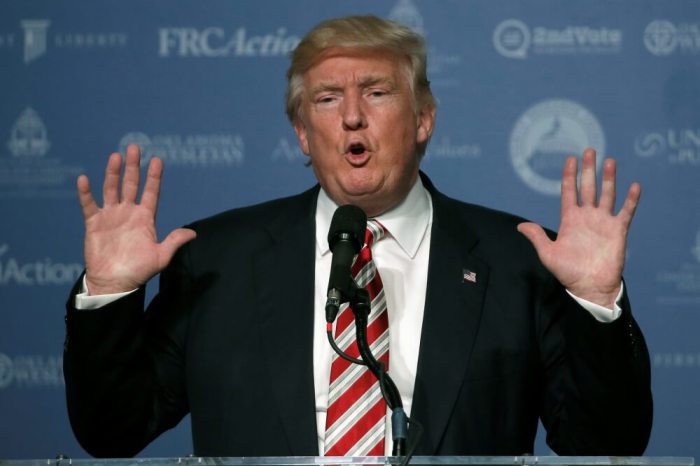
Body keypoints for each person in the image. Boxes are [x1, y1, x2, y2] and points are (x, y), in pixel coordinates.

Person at [64, 15, 652, 458]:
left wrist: (596, 305)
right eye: (326, 99)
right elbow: (112, 433)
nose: (351, 116)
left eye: (376, 92)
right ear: (301, 133)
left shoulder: (518, 261)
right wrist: (110, 294)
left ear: (423, 118)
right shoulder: (217, 260)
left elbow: (604, 444)